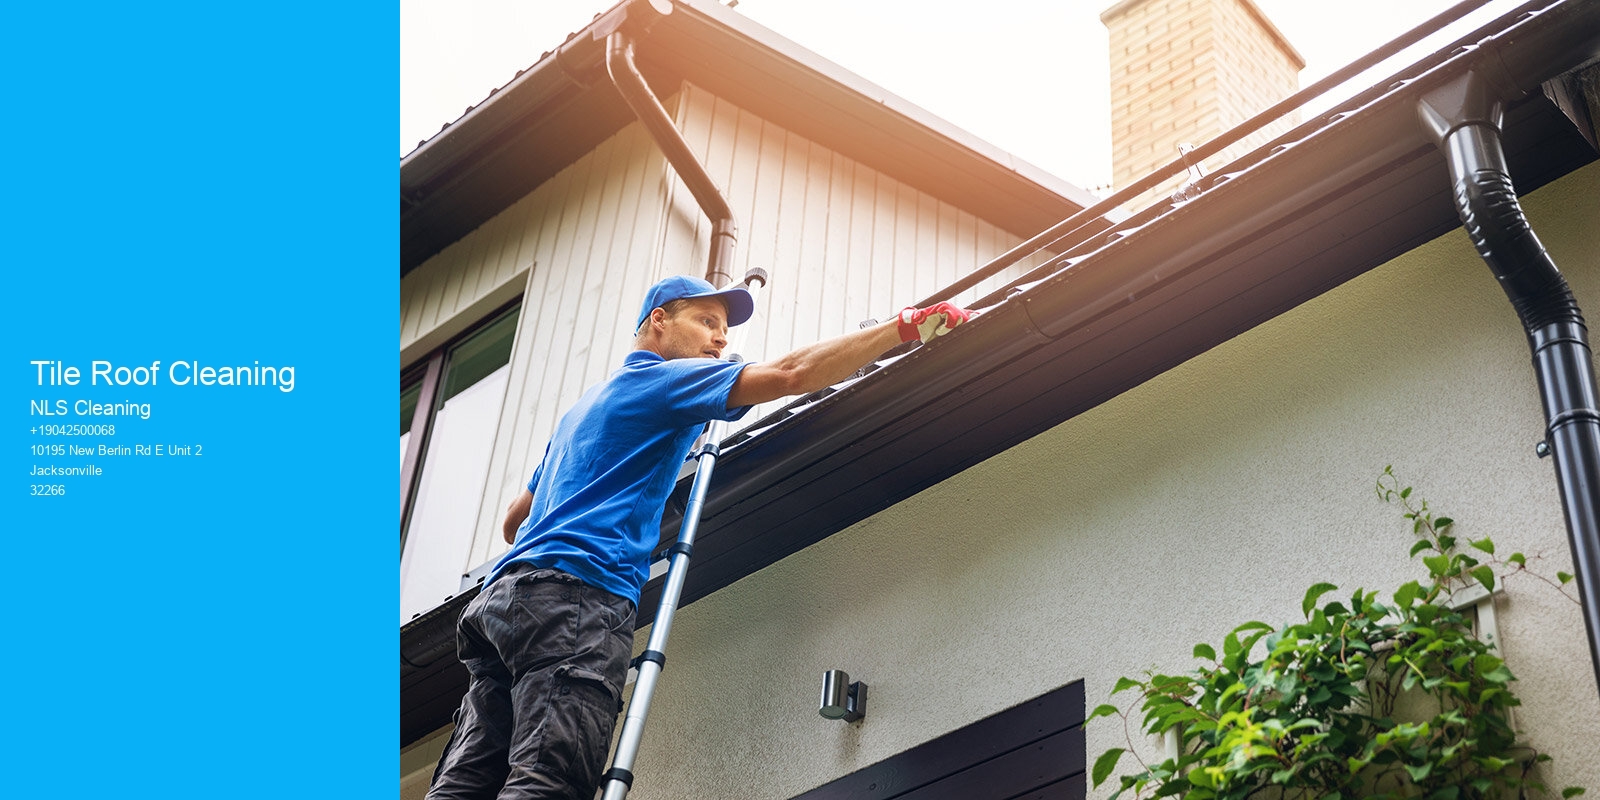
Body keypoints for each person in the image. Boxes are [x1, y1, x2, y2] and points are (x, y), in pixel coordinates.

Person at [426, 274, 972, 800]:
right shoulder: (663, 382)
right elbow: (790, 373)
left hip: (501, 605)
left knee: (464, 784)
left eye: (725, 331)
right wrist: (905, 325)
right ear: (658, 321)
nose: (720, 339)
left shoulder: (580, 412)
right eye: (707, 322)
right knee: (549, 777)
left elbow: (513, 521)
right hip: (575, 600)